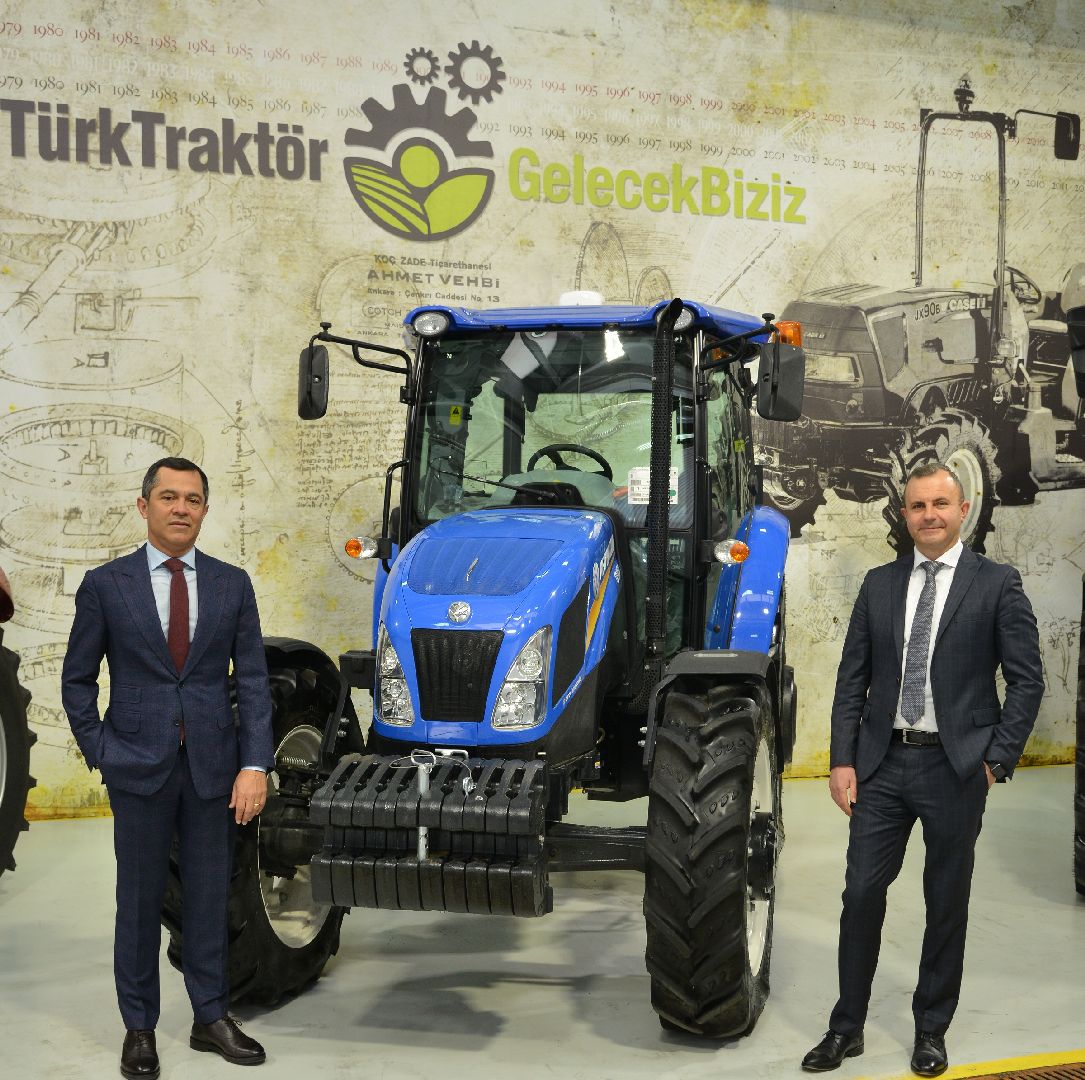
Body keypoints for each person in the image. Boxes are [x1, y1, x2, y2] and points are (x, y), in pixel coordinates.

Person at [801, 462, 1044, 1077]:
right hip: (881, 765)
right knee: (860, 894)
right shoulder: (879, 585)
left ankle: (931, 1029)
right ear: (904, 515)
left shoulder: (997, 584)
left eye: (940, 504)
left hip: (956, 768)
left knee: (945, 900)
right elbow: (852, 680)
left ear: (963, 510)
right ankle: (846, 1027)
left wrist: (996, 759)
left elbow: (1027, 680)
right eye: (917, 506)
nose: (929, 515)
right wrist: (842, 759)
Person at [62, 457, 275, 1078]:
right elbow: (77, 681)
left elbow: (253, 682)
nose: (181, 508)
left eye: (193, 499)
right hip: (137, 767)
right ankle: (139, 1028)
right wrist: (103, 750)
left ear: (205, 510)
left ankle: (210, 1017)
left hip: (214, 768)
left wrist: (255, 764)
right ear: (144, 505)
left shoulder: (232, 584)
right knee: (138, 902)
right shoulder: (106, 586)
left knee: (210, 898)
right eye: (168, 497)